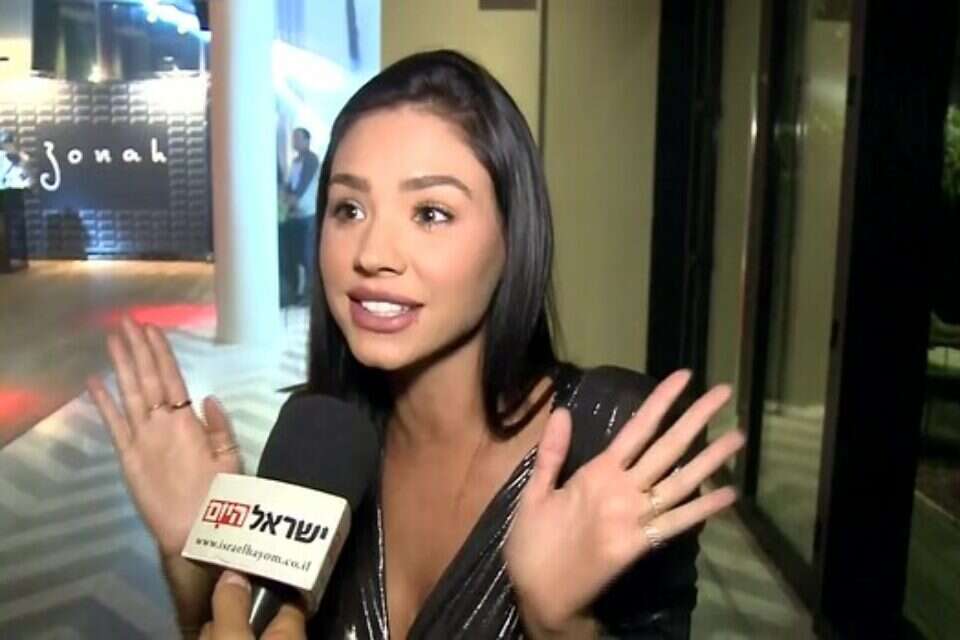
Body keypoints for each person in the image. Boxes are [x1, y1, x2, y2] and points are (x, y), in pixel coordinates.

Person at [87, 50, 744, 639]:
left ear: (515, 237)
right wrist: (196, 564)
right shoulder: (321, 442)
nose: (372, 253)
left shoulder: (613, 436)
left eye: (431, 213)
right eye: (349, 209)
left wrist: (562, 626)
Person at [280, 127, 321, 306]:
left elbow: (302, 186)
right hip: (294, 215)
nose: (294, 141)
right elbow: (290, 185)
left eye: (297, 137)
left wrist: (291, 200)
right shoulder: (295, 161)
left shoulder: (311, 160)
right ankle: (296, 292)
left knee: (307, 255)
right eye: (293, 137)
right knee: (295, 256)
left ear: (307, 140)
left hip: (308, 214)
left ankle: (311, 296)